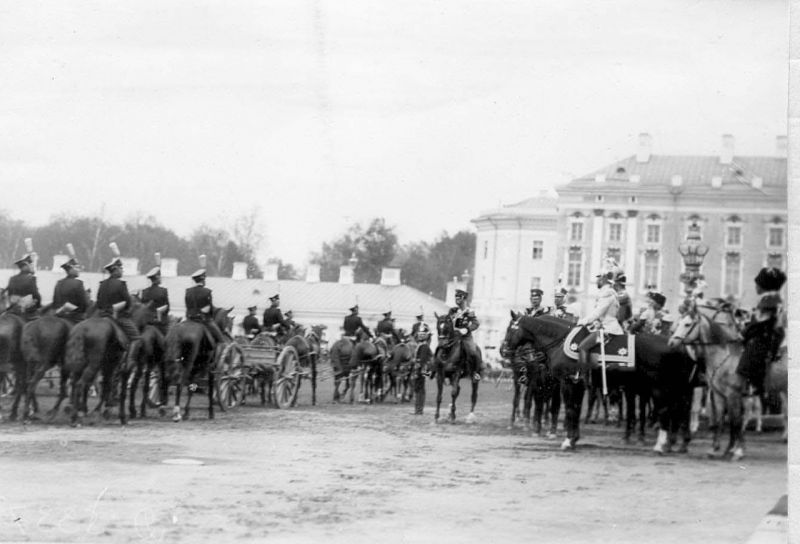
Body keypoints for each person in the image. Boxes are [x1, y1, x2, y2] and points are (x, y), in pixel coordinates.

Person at [735, 267, 786, 396]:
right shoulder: (770, 299)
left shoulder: (769, 300)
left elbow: (758, 323)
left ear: (764, 286)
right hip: (768, 334)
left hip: (765, 337)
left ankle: (752, 387)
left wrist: (742, 333)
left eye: (758, 284)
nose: (755, 286)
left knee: (750, 356)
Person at [96, 251, 141, 363]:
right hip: (119, 317)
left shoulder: (102, 284)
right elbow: (128, 302)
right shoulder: (121, 284)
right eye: (121, 268)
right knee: (136, 338)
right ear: (115, 270)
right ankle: (129, 361)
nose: (122, 271)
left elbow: (99, 303)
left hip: (102, 316)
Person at [576, 269, 624, 370]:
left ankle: (582, 375)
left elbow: (597, 313)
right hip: (607, 327)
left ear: (603, 279)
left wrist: (582, 321)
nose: (597, 281)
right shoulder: (610, 293)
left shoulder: (607, 293)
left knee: (582, 347)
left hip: (607, 329)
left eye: (598, 278)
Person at [185, 266, 226, 345]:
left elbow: (187, 306)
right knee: (219, 335)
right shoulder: (207, 292)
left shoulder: (188, 291)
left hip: (189, 318)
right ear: (203, 280)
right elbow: (208, 309)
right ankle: (223, 344)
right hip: (203, 319)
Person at [449, 289, 483, 381]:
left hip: (465, 337)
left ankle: (475, 372)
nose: (456, 300)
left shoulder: (469, 312)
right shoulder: (453, 311)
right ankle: (433, 369)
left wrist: (467, 329)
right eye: (456, 298)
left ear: (463, 299)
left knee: (473, 352)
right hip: (454, 336)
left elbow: (476, 324)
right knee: (441, 347)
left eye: (458, 298)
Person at [52, 253, 90, 324]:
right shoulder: (78, 283)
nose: (79, 270)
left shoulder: (59, 282)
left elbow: (55, 303)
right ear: (71, 269)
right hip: (74, 317)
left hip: (59, 315)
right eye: (77, 268)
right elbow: (83, 304)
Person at [5, 252, 41, 321]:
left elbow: (9, 294)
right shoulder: (31, 279)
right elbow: (36, 295)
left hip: (13, 307)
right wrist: (38, 305)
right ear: (26, 266)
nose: (31, 267)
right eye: (30, 265)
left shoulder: (12, 278)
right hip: (27, 309)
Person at [140, 262, 170, 336]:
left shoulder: (144, 291)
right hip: (160, 323)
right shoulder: (163, 291)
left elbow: (143, 307)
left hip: (147, 322)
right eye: (160, 276)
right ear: (157, 277)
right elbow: (167, 308)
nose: (161, 278)